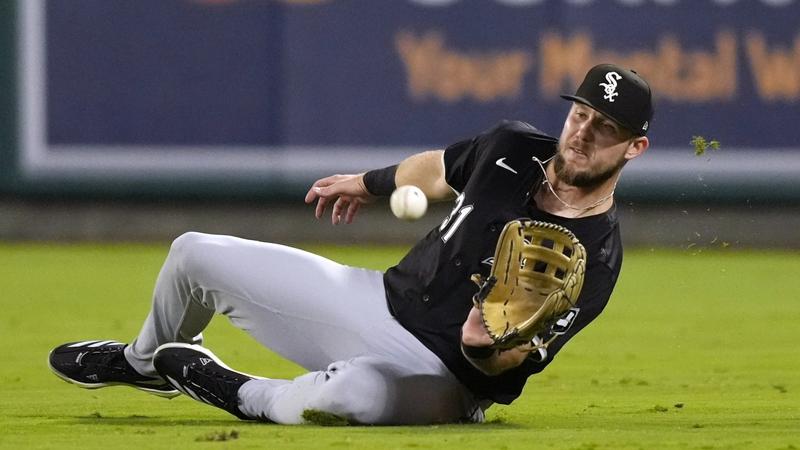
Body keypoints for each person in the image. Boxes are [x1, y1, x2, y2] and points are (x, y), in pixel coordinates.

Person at [48, 63, 653, 425]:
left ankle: (237, 391)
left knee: (351, 395)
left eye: (606, 129)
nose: (583, 133)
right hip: (378, 303)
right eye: (580, 115)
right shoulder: (513, 146)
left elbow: (504, 374)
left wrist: (485, 345)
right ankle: (144, 362)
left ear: (633, 147)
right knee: (192, 253)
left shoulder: (597, 258)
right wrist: (368, 184)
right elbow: (439, 170)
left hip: (444, 380)